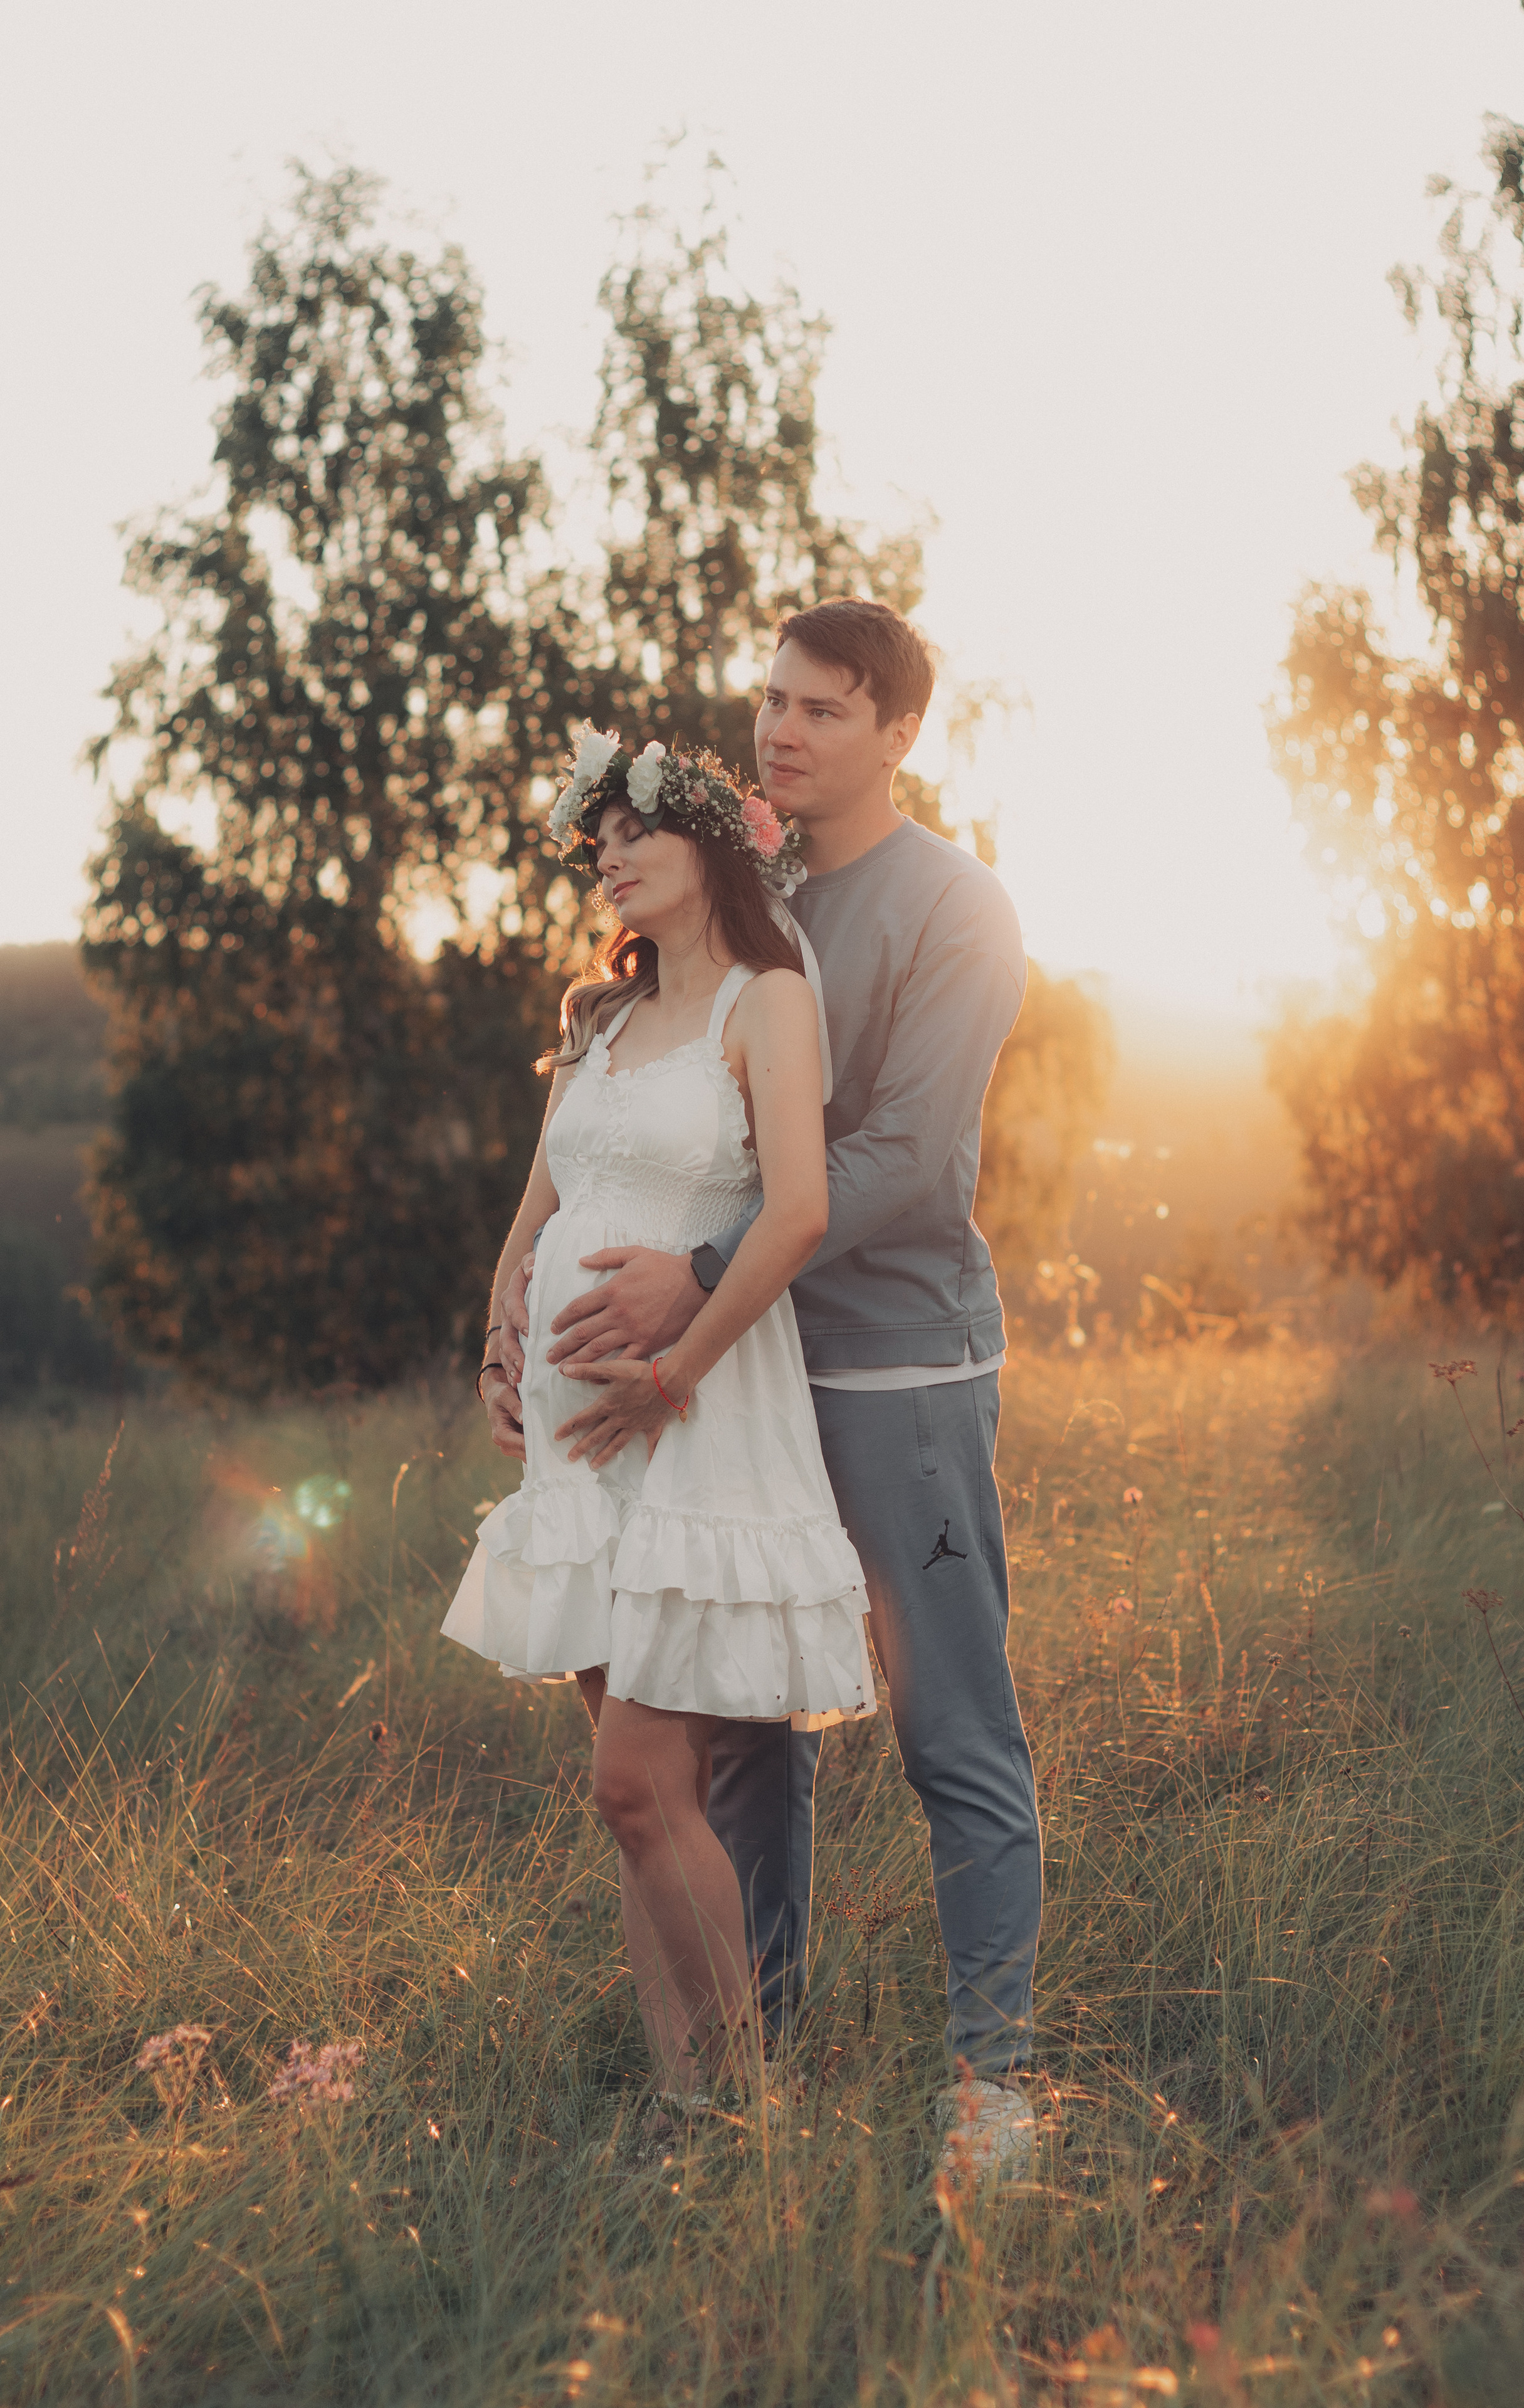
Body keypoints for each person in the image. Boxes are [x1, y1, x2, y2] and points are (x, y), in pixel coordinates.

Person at [489, 600, 1043, 2175]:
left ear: (897, 733)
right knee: (744, 1740)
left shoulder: (955, 908)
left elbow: (902, 1155)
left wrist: (705, 1263)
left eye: (822, 709)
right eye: (772, 703)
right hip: (731, 1377)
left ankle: (992, 2091)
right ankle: (753, 2075)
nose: (779, 732)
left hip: (890, 1363)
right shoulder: (752, 894)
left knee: (952, 1732)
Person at [444, 730, 876, 2113]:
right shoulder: (595, 1020)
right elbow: (542, 1201)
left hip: (694, 1414)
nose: (611, 859)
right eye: (598, 842)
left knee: (633, 1786)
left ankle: (751, 2105)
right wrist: (502, 1339)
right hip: (580, 1443)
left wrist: (676, 1366)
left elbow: (800, 1211)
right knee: (647, 1805)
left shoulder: (768, 1001)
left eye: (635, 835)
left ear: (711, 850)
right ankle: (689, 2106)